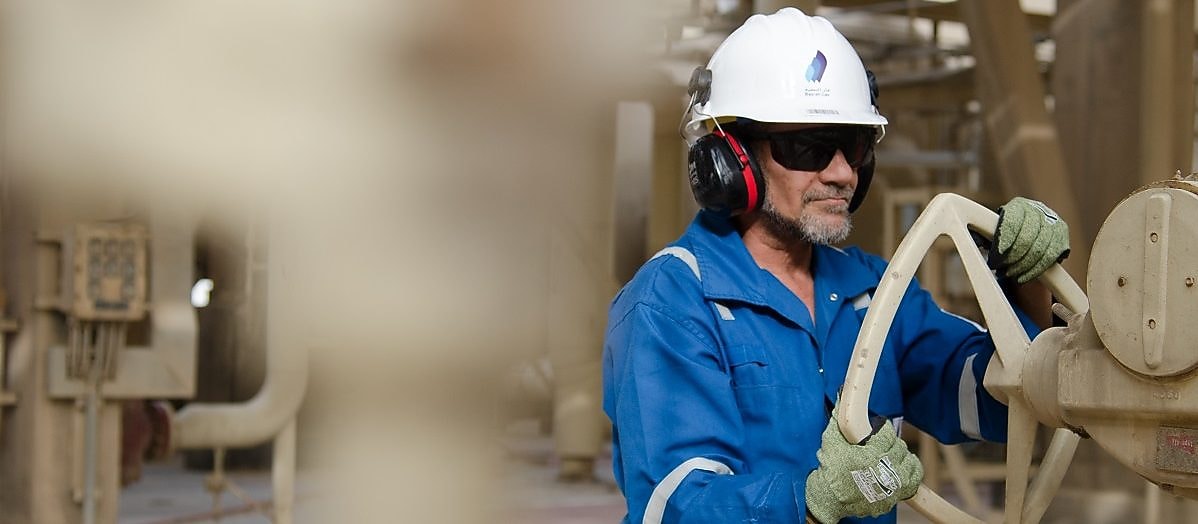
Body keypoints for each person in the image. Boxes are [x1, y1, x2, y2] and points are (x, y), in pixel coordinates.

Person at [601, 8, 1069, 524]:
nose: (842, 173)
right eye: (809, 148)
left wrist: (1025, 285)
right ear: (731, 160)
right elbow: (676, 506)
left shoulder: (873, 290)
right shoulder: (670, 302)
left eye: (853, 146)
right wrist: (810, 503)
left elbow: (995, 401)